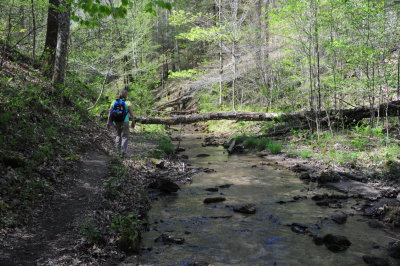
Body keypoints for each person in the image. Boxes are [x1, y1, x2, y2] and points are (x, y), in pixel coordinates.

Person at [106, 89, 135, 156]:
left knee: (118, 135)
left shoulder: (114, 102)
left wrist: (108, 122)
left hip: (116, 121)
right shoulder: (128, 103)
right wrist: (133, 122)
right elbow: (131, 114)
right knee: (125, 136)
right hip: (125, 121)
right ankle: (123, 153)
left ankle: (117, 152)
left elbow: (110, 113)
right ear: (126, 96)